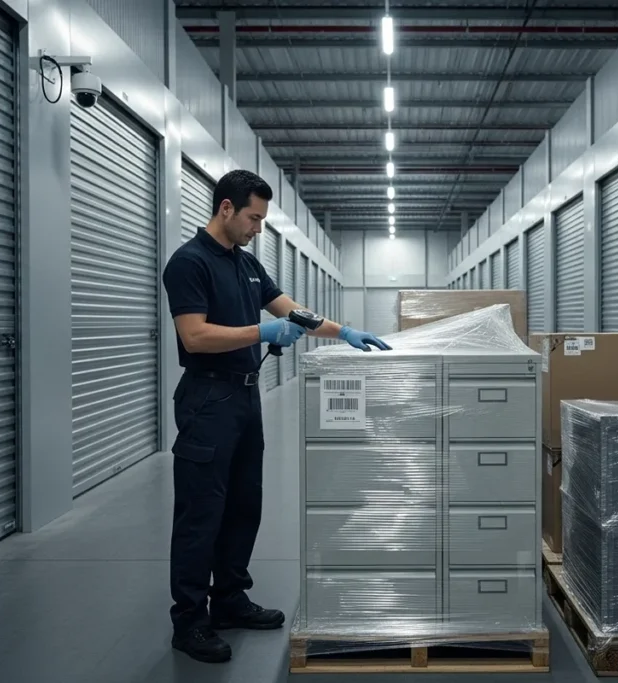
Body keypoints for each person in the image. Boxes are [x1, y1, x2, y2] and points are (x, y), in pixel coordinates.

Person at [161, 169, 390, 664]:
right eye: (253, 218)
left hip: (245, 399)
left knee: (244, 505)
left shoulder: (246, 264)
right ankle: (190, 622)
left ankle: (228, 601)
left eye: (262, 219)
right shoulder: (189, 263)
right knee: (202, 513)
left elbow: (293, 312)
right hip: (208, 400)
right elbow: (195, 336)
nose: (258, 228)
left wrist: (343, 331)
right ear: (226, 208)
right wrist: (262, 332)